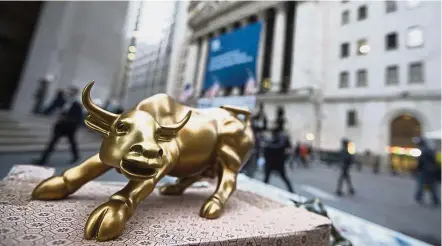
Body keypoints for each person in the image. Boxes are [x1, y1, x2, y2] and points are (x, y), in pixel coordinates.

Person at [33, 86, 83, 165]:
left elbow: (78, 118)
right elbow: (53, 107)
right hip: (60, 126)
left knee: (72, 142)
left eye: (71, 92)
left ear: (75, 94)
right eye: (69, 91)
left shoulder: (77, 104)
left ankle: (76, 156)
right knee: (52, 142)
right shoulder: (63, 101)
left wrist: (69, 121)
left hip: (70, 128)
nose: (69, 93)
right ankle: (42, 160)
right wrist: (44, 112)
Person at [263, 128, 294, 193]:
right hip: (275, 161)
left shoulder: (277, 140)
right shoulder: (277, 140)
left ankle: (291, 191)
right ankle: (263, 189)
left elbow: (282, 147)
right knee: (267, 176)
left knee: (269, 176)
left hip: (276, 161)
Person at [241, 103, 268, 178]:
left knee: (250, 169)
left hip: (254, 149)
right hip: (248, 148)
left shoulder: (256, 129)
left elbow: (263, 126)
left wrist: (262, 112)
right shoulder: (247, 125)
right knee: (244, 165)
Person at [414, 137, 440, 205]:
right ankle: (435, 199)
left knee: (421, 184)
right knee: (432, 186)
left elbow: (420, 162)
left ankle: (418, 197)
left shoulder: (422, 150)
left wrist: (417, 170)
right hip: (432, 170)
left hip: (424, 171)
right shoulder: (430, 150)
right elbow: (435, 161)